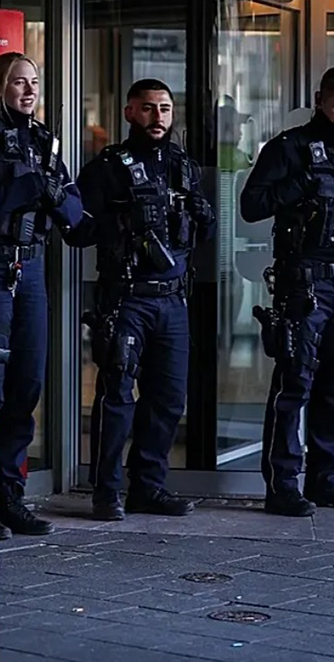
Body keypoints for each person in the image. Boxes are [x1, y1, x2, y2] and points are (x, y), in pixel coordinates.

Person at [0, 51, 83, 540]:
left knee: (26, 386)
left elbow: (76, 214)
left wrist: (54, 196)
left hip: (32, 267)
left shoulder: (45, 141)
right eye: (18, 82)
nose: (29, 91)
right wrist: (25, 187)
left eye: (34, 82)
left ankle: (11, 495)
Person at [72, 79, 215, 521]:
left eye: (165, 109)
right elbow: (78, 231)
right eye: (149, 108)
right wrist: (123, 221)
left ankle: (148, 487)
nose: (158, 117)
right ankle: (106, 491)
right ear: (130, 112)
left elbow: (202, 233)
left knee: (168, 398)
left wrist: (201, 214)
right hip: (127, 298)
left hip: (173, 300)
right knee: (117, 395)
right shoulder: (107, 168)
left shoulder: (183, 166)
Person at [240, 66, 334, 517]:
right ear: (320, 100)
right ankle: (282, 484)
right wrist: (303, 183)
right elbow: (251, 205)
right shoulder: (289, 148)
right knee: (294, 383)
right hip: (302, 279)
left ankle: (325, 477)